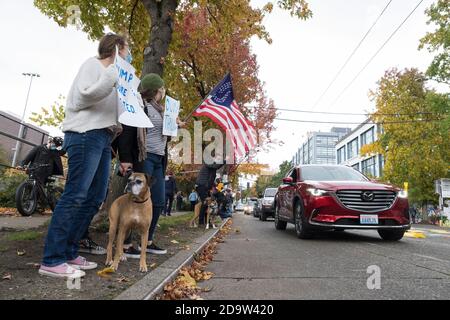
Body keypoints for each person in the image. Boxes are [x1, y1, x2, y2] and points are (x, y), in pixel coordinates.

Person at [38, 33, 127, 279]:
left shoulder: (114, 78)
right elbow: (84, 96)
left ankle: (68, 251)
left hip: (102, 138)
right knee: (76, 194)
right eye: (126, 50)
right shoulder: (94, 65)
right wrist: (111, 78)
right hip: (84, 135)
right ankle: (52, 259)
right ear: (116, 50)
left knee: (95, 196)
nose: (129, 55)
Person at [117, 73, 185, 258]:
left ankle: (146, 240)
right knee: (136, 198)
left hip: (159, 160)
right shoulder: (141, 107)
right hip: (144, 157)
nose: (164, 91)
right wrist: (125, 158)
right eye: (162, 88)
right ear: (156, 90)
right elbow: (128, 131)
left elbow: (165, 132)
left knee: (159, 201)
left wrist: (176, 125)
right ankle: (126, 242)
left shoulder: (164, 111)